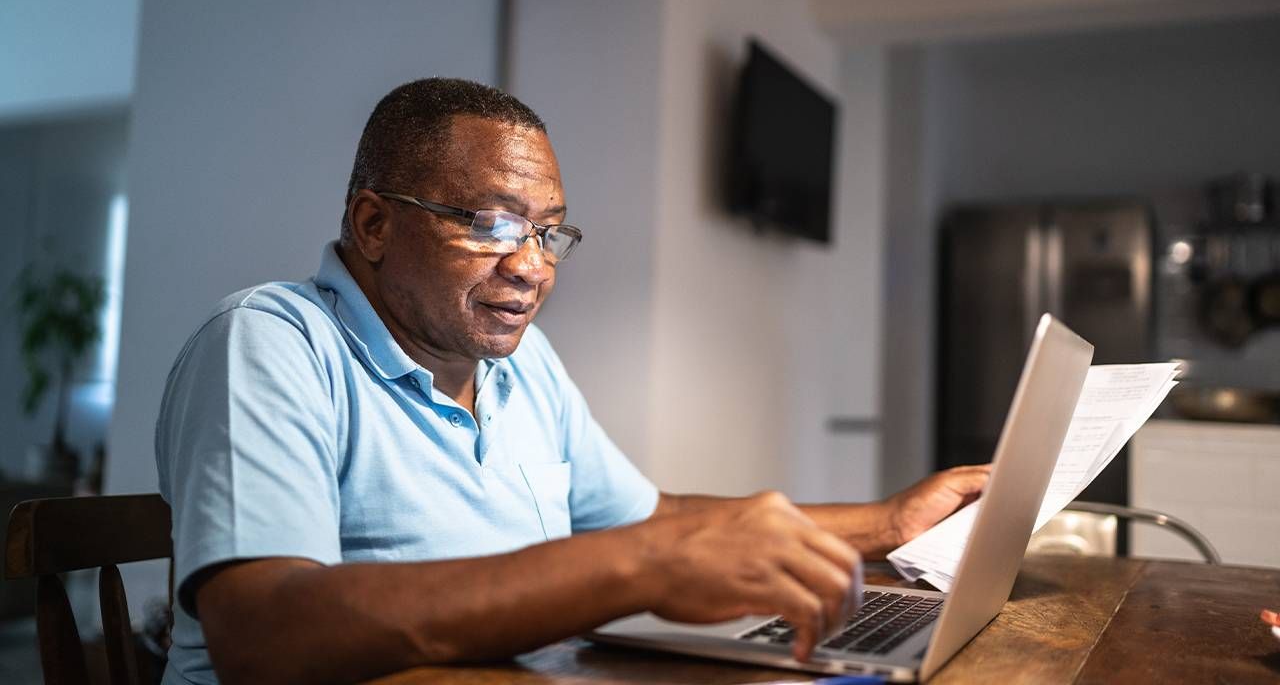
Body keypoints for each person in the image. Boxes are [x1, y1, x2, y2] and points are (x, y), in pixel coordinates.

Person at [155, 78, 990, 685]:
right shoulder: (271, 344)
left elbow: (649, 518)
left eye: (550, 235)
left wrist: (887, 522)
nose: (531, 268)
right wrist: (638, 568)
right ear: (374, 223)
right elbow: (263, 633)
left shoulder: (518, 365)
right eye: (491, 226)